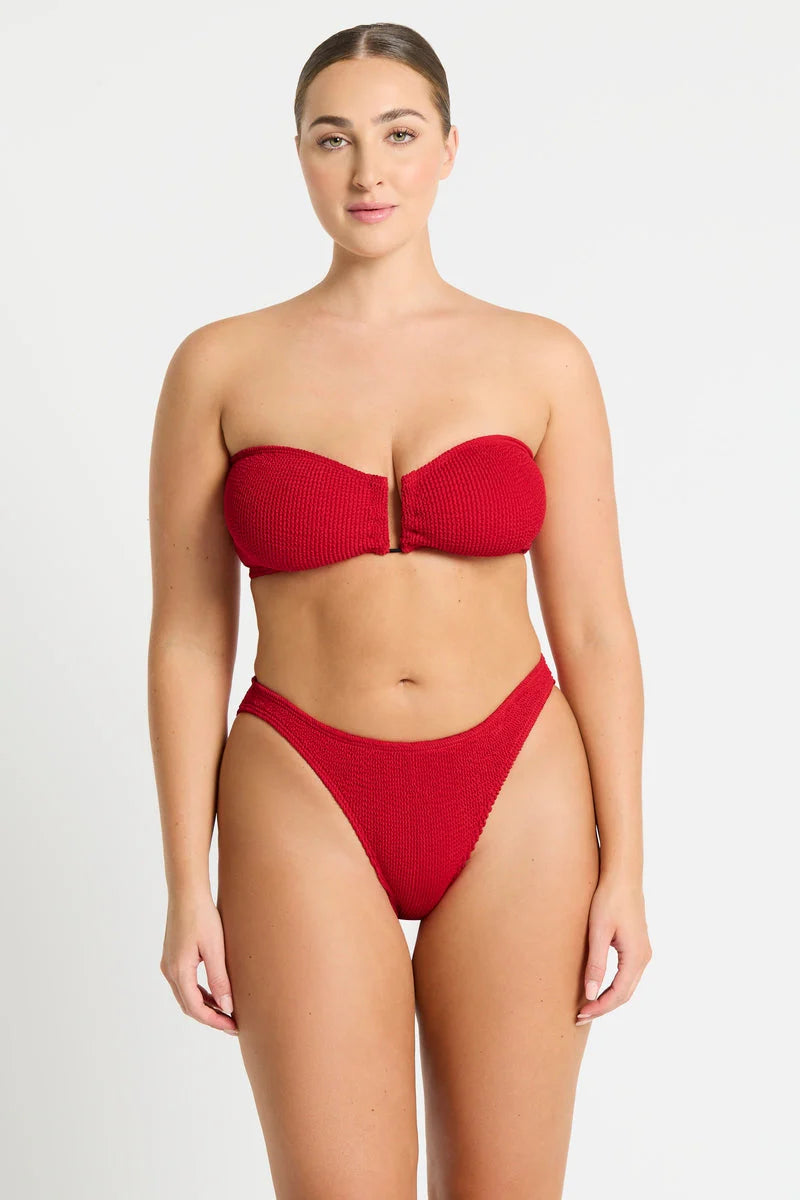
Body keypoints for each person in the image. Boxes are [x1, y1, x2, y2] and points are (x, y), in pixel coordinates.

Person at [147, 20, 652, 1200]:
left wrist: (625, 862)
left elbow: (593, 627)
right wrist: (184, 885)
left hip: (516, 784)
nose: (367, 171)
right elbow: (187, 637)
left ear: (447, 150)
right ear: (299, 156)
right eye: (333, 139)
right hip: (301, 786)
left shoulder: (541, 360)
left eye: (398, 134)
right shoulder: (220, 365)